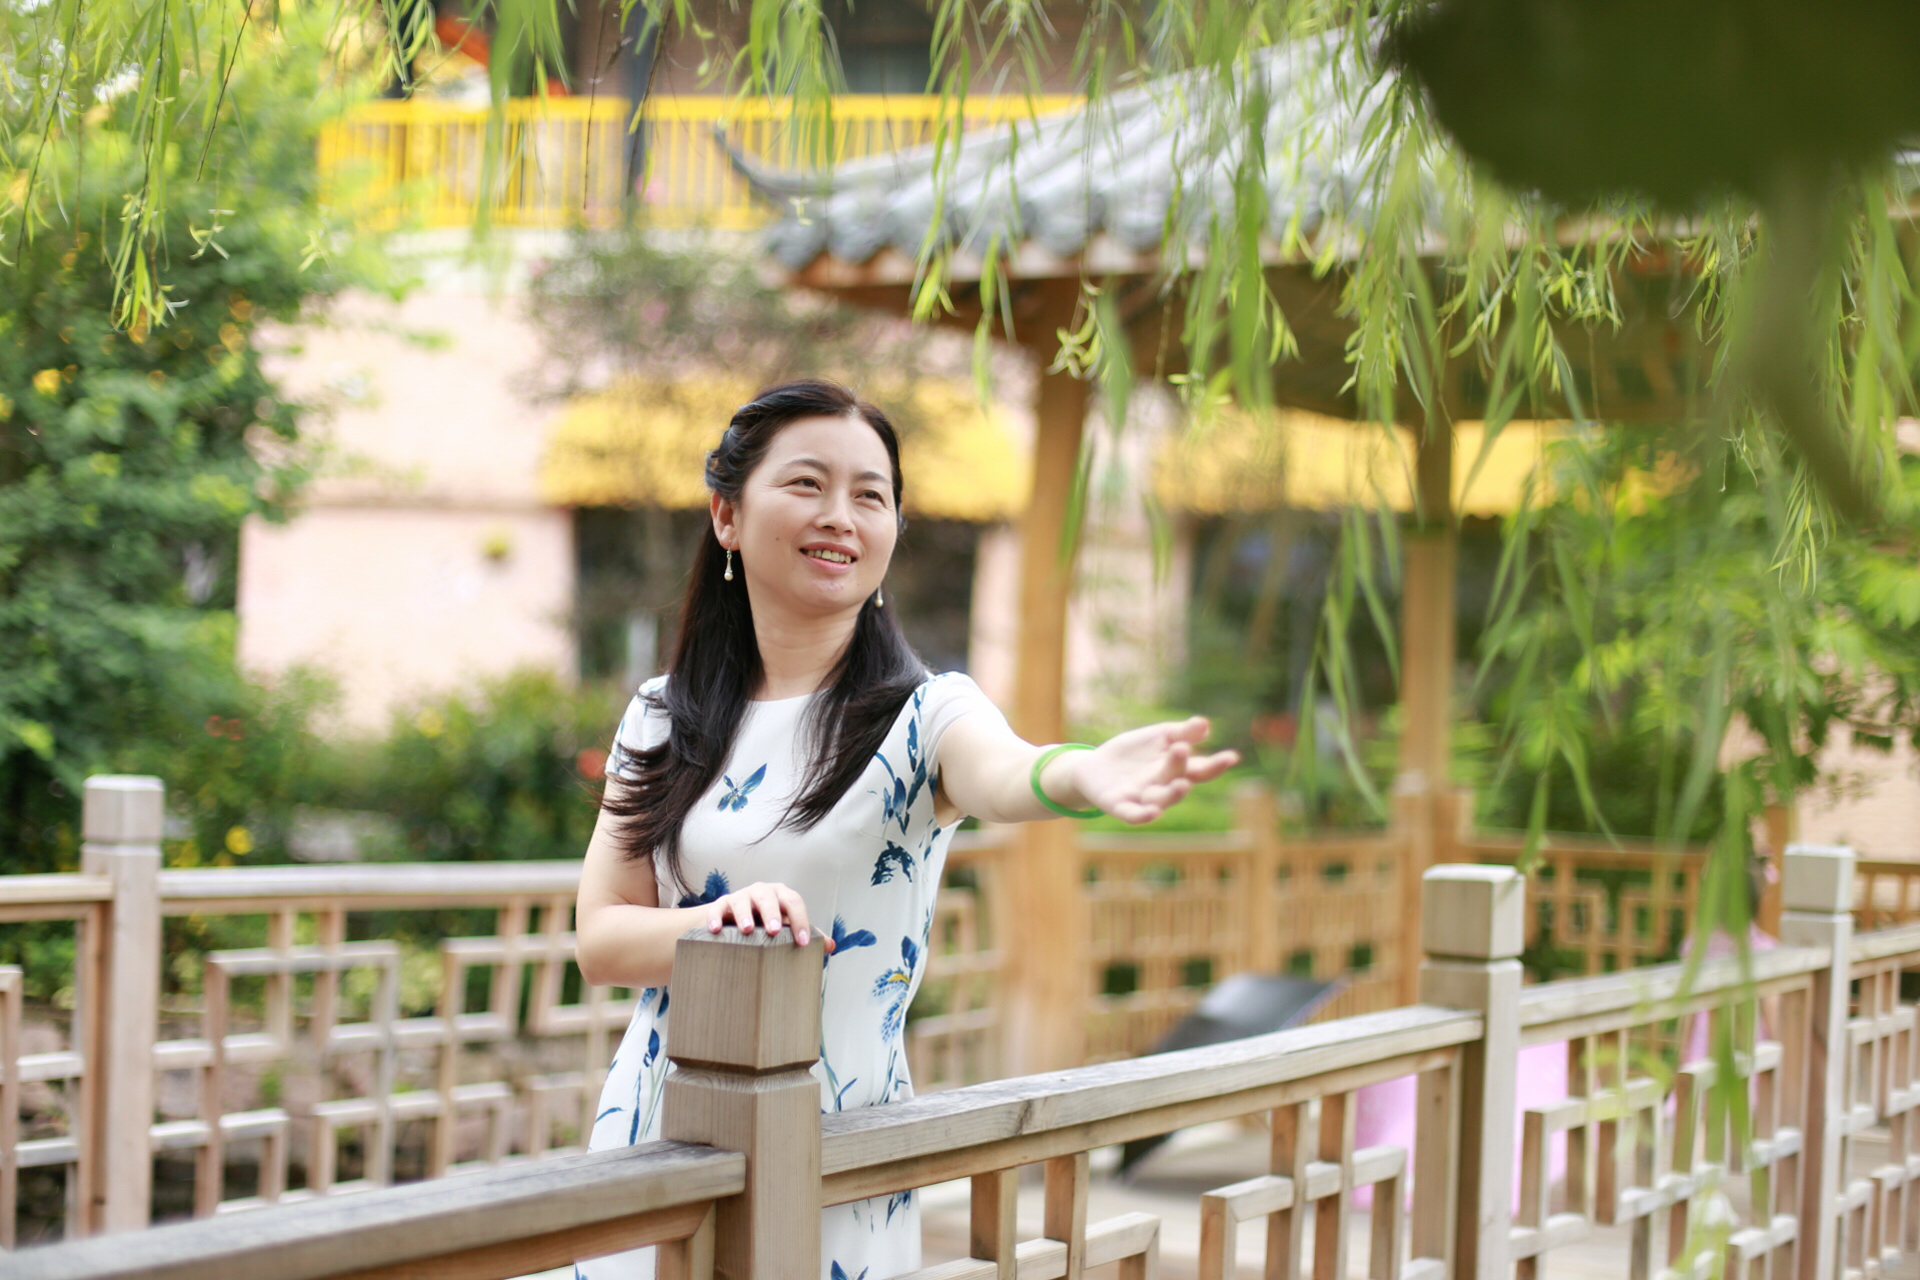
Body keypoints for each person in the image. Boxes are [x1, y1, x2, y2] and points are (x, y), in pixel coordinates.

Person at [573, 380, 1238, 1280]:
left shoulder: (927, 716)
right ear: (727, 515)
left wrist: (1080, 774)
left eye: (871, 495)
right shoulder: (661, 715)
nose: (840, 516)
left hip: (838, 1155)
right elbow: (602, 941)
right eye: (807, 484)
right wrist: (715, 923)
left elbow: (1005, 773)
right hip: (658, 1138)